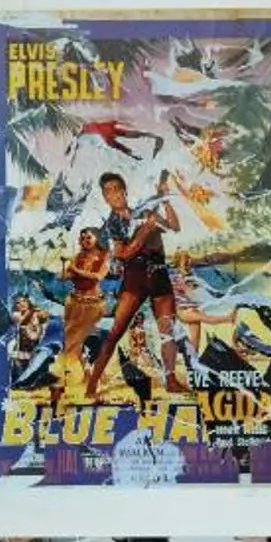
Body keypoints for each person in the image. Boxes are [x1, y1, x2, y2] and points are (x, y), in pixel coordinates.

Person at [83, 170, 187, 397]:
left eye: (117, 189)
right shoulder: (111, 225)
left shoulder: (145, 211)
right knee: (116, 332)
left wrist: (165, 199)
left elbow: (174, 226)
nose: (115, 194)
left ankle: (170, 380)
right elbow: (124, 253)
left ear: (125, 190)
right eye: (109, 191)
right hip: (135, 277)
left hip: (159, 274)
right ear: (105, 198)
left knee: (168, 330)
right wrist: (145, 230)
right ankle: (92, 383)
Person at [60, 226, 111, 382]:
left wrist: (74, 270)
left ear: (97, 239)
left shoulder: (104, 256)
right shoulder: (78, 256)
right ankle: (86, 370)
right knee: (74, 339)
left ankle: (98, 371)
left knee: (95, 337)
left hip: (94, 304)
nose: (85, 241)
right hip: (75, 302)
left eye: (89, 237)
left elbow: (98, 276)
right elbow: (65, 277)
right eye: (82, 238)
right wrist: (65, 271)